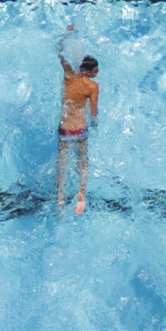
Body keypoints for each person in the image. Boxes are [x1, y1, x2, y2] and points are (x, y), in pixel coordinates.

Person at [56, 28, 101, 214]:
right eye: (96, 70)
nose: (98, 72)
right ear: (89, 71)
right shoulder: (93, 86)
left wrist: (66, 34)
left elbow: (58, 51)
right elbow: (93, 112)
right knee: (83, 163)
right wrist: (95, 124)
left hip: (65, 129)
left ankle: (60, 199)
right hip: (80, 130)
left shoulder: (68, 76)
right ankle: (81, 194)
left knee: (62, 165)